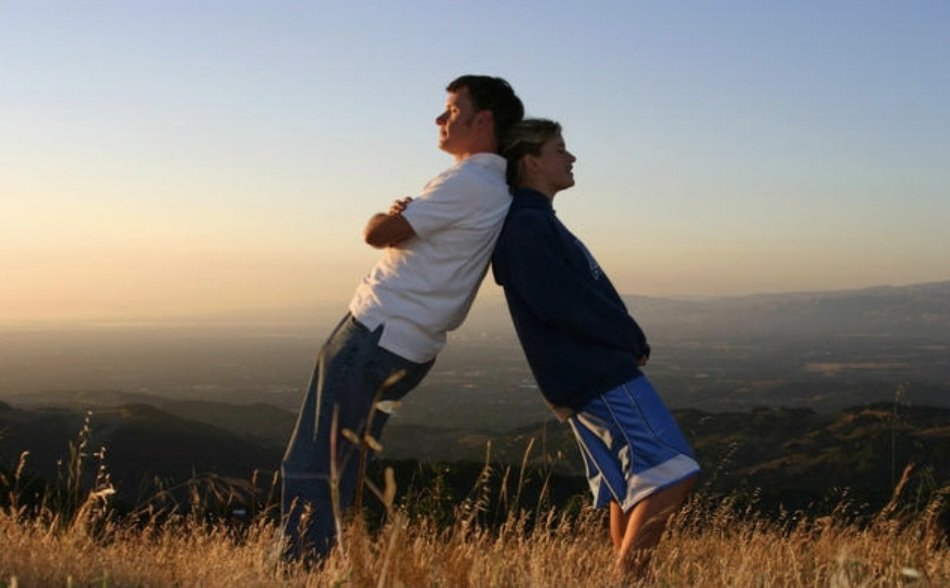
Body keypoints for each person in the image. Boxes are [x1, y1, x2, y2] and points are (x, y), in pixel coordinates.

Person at [279, 75, 524, 562]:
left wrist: (385, 218)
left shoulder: (467, 180)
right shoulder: (492, 187)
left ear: (484, 120)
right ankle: (328, 563)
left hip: (376, 330)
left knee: (313, 463)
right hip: (409, 344)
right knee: (345, 466)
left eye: (452, 109)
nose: (440, 119)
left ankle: (299, 569)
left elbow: (378, 233)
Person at [491, 119, 700, 580]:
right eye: (560, 149)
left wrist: (627, 335)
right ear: (531, 161)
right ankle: (630, 579)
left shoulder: (536, 221)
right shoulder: (526, 225)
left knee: (631, 485)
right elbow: (558, 303)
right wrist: (624, 337)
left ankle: (624, 575)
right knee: (673, 469)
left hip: (585, 373)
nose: (571, 158)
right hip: (594, 373)